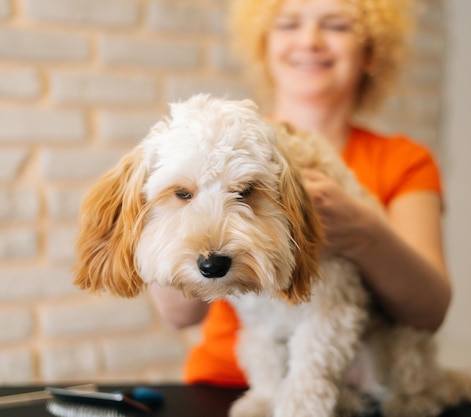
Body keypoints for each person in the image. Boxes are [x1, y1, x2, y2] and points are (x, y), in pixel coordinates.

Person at [150, 0, 452, 388]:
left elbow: (429, 312)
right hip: (226, 384)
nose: (309, 41)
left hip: (351, 388)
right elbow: (178, 314)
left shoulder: (404, 161)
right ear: (263, 45)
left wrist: (362, 230)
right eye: (288, 24)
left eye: (337, 26)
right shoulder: (213, 148)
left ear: (373, 51)